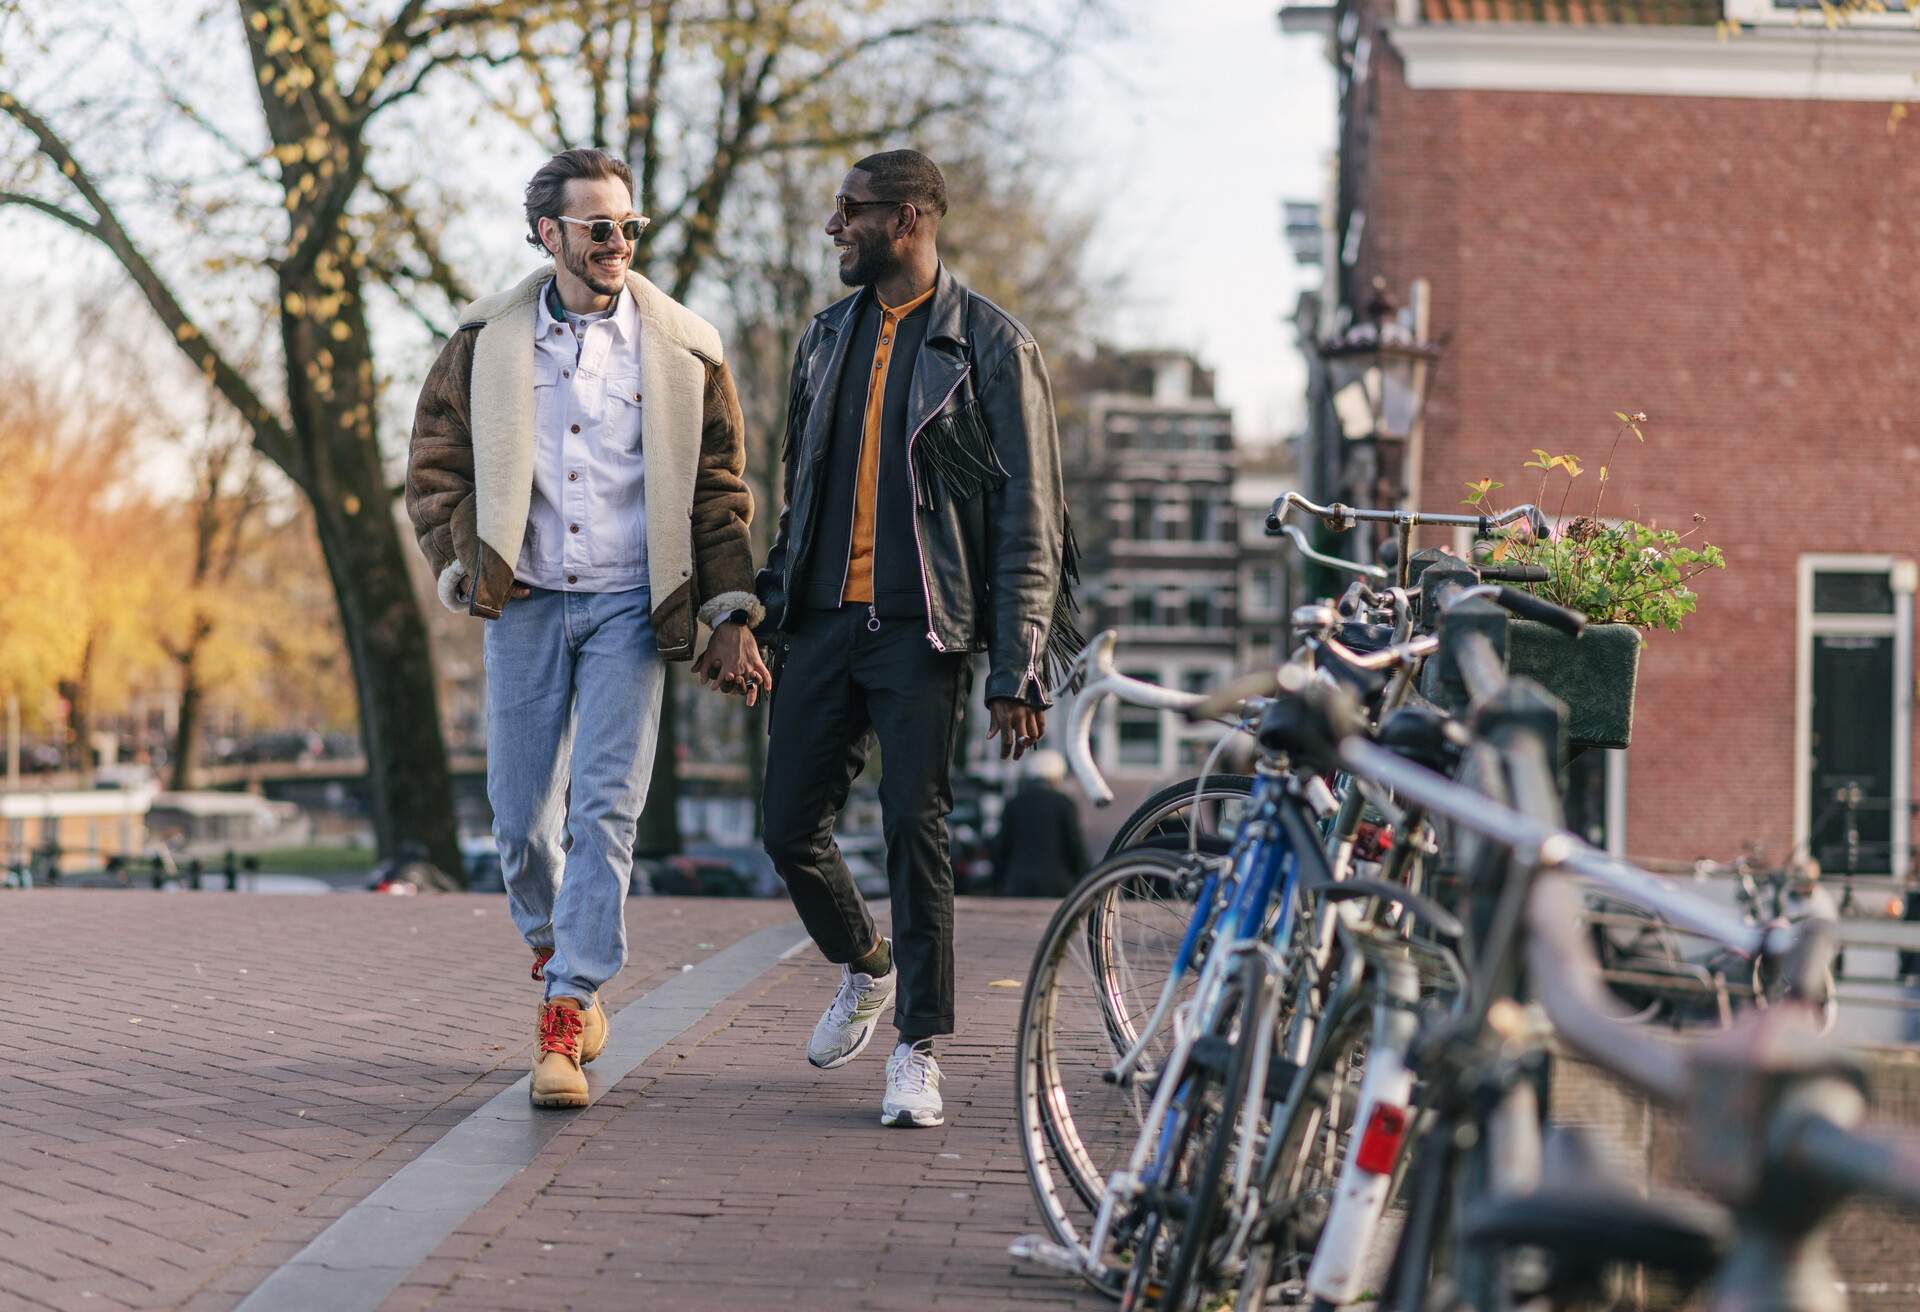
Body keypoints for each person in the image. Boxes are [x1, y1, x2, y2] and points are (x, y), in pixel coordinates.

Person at [405, 148, 767, 1108]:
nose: (617, 244)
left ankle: (568, 1010)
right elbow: (435, 466)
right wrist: (461, 558)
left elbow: (720, 494)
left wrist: (729, 610)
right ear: (548, 234)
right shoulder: (484, 341)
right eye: (597, 227)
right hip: (524, 602)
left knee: (605, 809)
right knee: (519, 823)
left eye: (629, 227)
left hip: (629, 609)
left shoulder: (688, 349)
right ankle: (553, 942)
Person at [748, 148, 1081, 1128]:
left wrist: (1017, 665)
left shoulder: (989, 346)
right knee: (785, 826)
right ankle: (867, 965)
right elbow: (799, 499)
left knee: (913, 827)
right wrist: (762, 612)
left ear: (908, 221)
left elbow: (1030, 519)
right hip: (820, 623)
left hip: (923, 632)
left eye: (849, 211)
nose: (832, 228)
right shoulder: (822, 339)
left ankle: (917, 1049)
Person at [990, 750, 1089, 899]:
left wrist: (997, 881)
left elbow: (1001, 848)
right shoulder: (1064, 803)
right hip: (1058, 885)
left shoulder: (1014, 803)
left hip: (1018, 885)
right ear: (1057, 776)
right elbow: (1075, 847)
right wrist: (1086, 878)